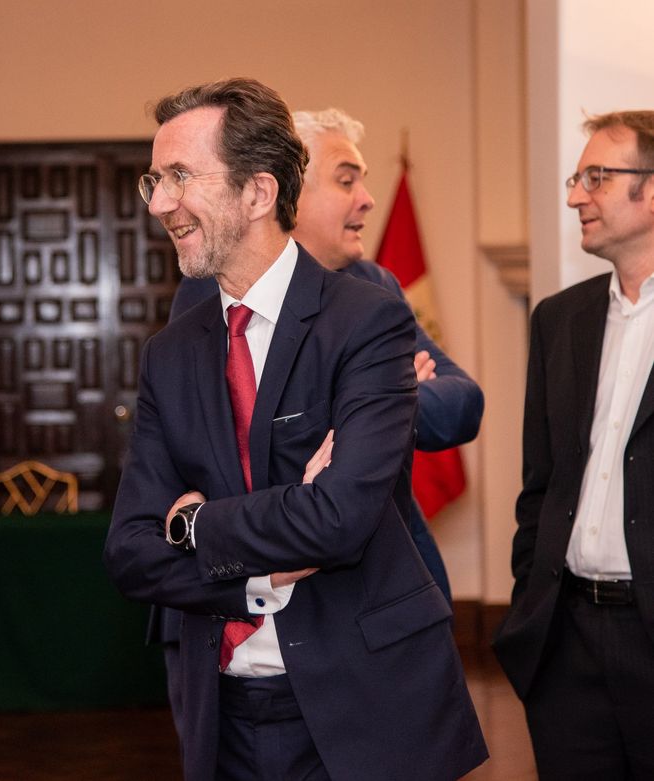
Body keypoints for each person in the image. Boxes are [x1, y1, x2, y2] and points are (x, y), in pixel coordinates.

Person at [103, 78, 486, 780]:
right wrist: (259, 568)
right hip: (222, 716)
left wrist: (194, 525)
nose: (158, 203)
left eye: (180, 177)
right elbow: (129, 551)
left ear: (258, 192)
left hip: (366, 705)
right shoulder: (171, 352)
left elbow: (340, 520)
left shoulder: (367, 318)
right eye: (154, 181)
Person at [170, 107, 484, 601]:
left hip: (382, 589)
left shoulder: (375, 287)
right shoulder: (212, 292)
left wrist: (371, 402)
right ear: (288, 192)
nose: (367, 199)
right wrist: (381, 392)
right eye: (346, 180)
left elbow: (462, 405)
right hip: (258, 580)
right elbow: (217, 436)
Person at [493, 111, 654, 778]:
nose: (574, 197)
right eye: (576, 179)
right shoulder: (558, 320)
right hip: (565, 641)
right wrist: (528, 601)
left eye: (597, 178)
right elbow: (540, 484)